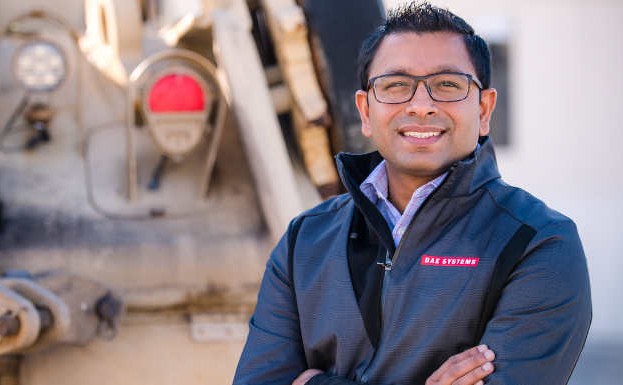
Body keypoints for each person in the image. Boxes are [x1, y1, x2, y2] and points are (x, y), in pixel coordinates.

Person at [233, 2, 592, 385]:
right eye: (396, 86)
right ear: (366, 112)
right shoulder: (304, 239)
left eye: (447, 85)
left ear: (484, 109)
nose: (421, 106)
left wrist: (311, 382)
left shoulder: (538, 243)